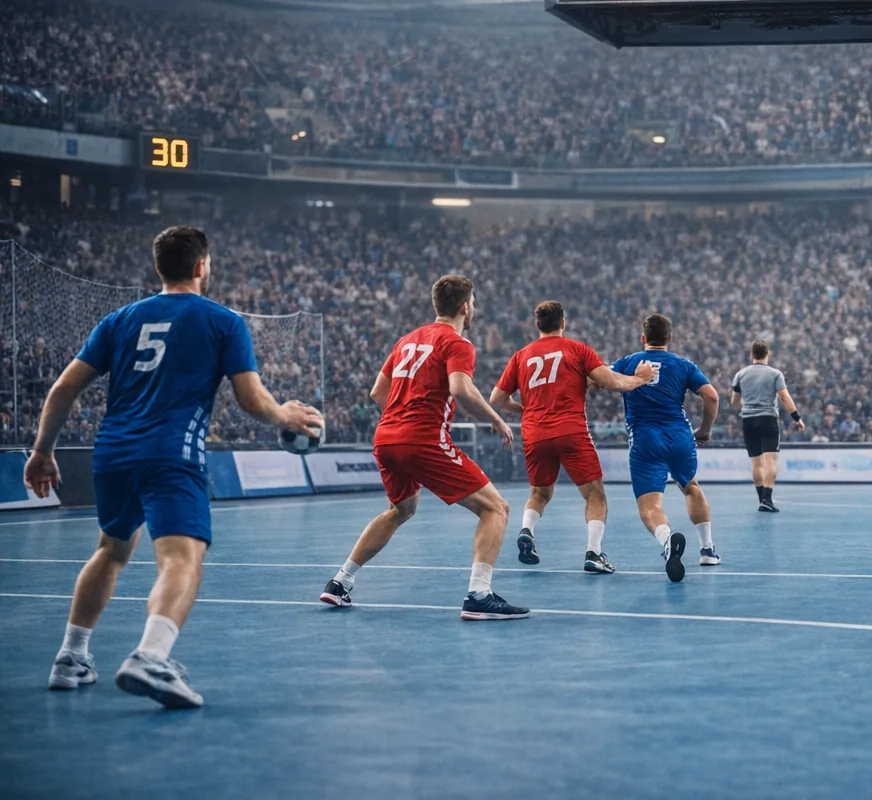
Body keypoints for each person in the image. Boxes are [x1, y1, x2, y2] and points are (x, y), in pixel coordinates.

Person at [25, 226, 323, 708]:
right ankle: (151, 656)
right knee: (182, 558)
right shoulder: (223, 321)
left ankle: (71, 656)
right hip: (172, 454)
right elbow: (250, 399)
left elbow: (62, 390)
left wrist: (42, 451)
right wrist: (283, 414)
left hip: (113, 454)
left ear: (159, 267)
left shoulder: (120, 319)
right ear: (202, 266)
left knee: (111, 551)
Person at [319, 275, 527, 621]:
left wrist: (401, 420)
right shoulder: (458, 343)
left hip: (386, 437)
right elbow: (460, 389)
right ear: (465, 306)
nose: (473, 308)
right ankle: (479, 594)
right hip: (422, 438)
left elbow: (377, 392)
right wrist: (497, 418)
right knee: (496, 508)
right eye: (472, 302)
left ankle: (340, 582)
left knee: (401, 510)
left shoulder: (407, 340)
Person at [488, 300, 657, 574]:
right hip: (570, 431)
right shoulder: (578, 350)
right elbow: (613, 382)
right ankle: (594, 553)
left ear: (537, 325)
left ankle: (526, 531)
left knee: (539, 493)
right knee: (595, 495)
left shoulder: (521, 356)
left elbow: (497, 398)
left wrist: (524, 409)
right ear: (563, 323)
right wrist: (641, 379)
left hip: (534, 433)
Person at [609, 314, 721, 582]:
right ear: (670, 339)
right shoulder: (683, 365)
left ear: (643, 338)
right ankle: (707, 550)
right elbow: (711, 395)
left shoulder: (627, 362)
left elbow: (598, 379)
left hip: (645, 438)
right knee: (690, 486)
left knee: (649, 506)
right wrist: (705, 429)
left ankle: (667, 539)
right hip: (679, 435)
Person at [730, 340, 805, 512]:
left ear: (751, 354)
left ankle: (761, 499)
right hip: (768, 419)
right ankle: (767, 499)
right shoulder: (775, 374)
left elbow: (734, 400)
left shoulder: (740, 374)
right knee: (770, 460)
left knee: (756, 462)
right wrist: (796, 417)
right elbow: (785, 398)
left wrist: (746, 407)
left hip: (748, 420)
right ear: (767, 354)